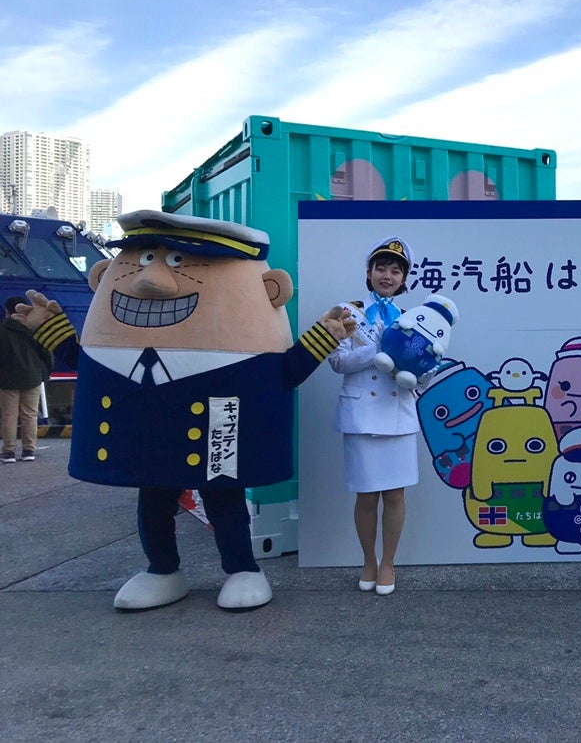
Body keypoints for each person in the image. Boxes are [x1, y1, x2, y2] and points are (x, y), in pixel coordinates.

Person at [15, 211, 356, 611]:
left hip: (215, 436)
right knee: (153, 503)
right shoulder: (113, 356)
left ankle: (242, 569)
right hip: (152, 444)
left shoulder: (247, 359)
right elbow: (84, 364)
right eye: (144, 260)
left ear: (272, 290)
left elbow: (286, 372)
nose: (150, 280)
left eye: (178, 262)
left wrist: (322, 337)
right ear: (103, 274)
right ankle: (162, 570)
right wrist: (52, 329)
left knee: (224, 503)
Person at [328, 236, 423, 595]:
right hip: (362, 415)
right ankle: (368, 560)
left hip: (397, 414)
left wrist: (423, 370)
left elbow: (421, 373)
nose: (387, 276)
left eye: (395, 271)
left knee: (395, 495)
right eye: (381, 268)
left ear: (404, 279)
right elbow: (337, 362)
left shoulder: (413, 320)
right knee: (366, 496)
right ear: (368, 273)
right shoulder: (346, 312)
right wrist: (376, 350)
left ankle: (388, 564)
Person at [0, 295, 52, 462]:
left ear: (7, 312)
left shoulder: (2, 331)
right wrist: (46, 371)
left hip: (7, 379)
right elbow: (46, 352)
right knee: (30, 415)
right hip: (32, 377)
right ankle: (28, 450)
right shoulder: (34, 329)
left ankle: (9, 452)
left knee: (9, 416)